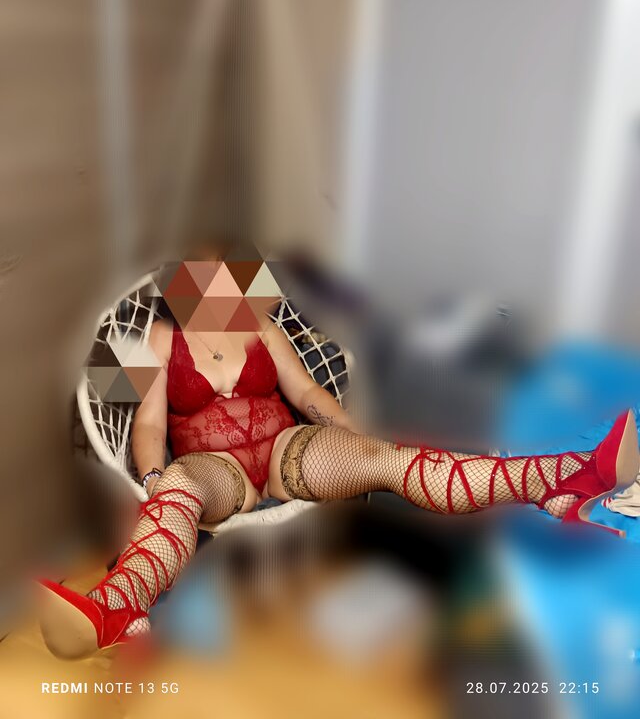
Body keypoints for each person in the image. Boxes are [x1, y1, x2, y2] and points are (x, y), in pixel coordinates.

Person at [38, 255, 640, 659]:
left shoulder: (259, 327)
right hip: (218, 472)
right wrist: (151, 477)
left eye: (225, 280)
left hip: (286, 451)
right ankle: (115, 604)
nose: (219, 292)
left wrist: (353, 439)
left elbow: (305, 392)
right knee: (180, 487)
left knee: (395, 461)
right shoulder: (155, 338)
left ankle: (567, 476)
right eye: (202, 282)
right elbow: (145, 422)